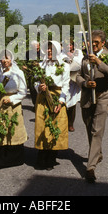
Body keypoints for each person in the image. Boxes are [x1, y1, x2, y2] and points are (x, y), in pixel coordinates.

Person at [76, 30, 108, 183]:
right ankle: (97, 153)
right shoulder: (85, 57)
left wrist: (99, 62)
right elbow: (78, 76)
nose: (93, 45)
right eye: (91, 42)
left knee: (96, 130)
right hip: (87, 96)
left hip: (103, 96)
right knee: (88, 127)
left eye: (96, 43)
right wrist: (85, 83)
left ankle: (90, 167)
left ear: (103, 43)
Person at [0, 49, 28, 172]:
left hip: (13, 105)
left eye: (7, 58)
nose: (4, 61)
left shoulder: (18, 73)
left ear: (11, 59)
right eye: (2, 58)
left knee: (13, 129)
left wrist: (12, 99)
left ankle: (14, 159)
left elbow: (23, 92)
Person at [34, 40, 70, 170]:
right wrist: (39, 86)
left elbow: (66, 85)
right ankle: (41, 155)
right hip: (43, 98)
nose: (49, 51)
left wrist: (61, 101)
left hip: (56, 97)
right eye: (48, 49)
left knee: (54, 126)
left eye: (52, 49)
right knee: (43, 125)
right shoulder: (41, 65)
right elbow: (35, 82)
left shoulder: (64, 66)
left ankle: (51, 157)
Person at [62, 38, 83, 132]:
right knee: (63, 101)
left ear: (72, 45)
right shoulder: (61, 53)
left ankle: (70, 124)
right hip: (64, 80)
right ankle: (63, 122)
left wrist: (72, 57)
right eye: (66, 45)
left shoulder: (78, 52)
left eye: (70, 44)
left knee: (72, 103)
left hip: (74, 80)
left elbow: (81, 64)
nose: (68, 46)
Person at [23, 40, 41, 105]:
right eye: (35, 48)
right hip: (31, 73)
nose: (37, 49)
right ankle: (35, 105)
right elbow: (25, 63)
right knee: (32, 90)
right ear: (32, 47)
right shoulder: (28, 53)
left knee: (40, 89)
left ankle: (40, 104)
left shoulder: (42, 53)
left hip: (40, 73)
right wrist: (25, 67)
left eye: (38, 47)